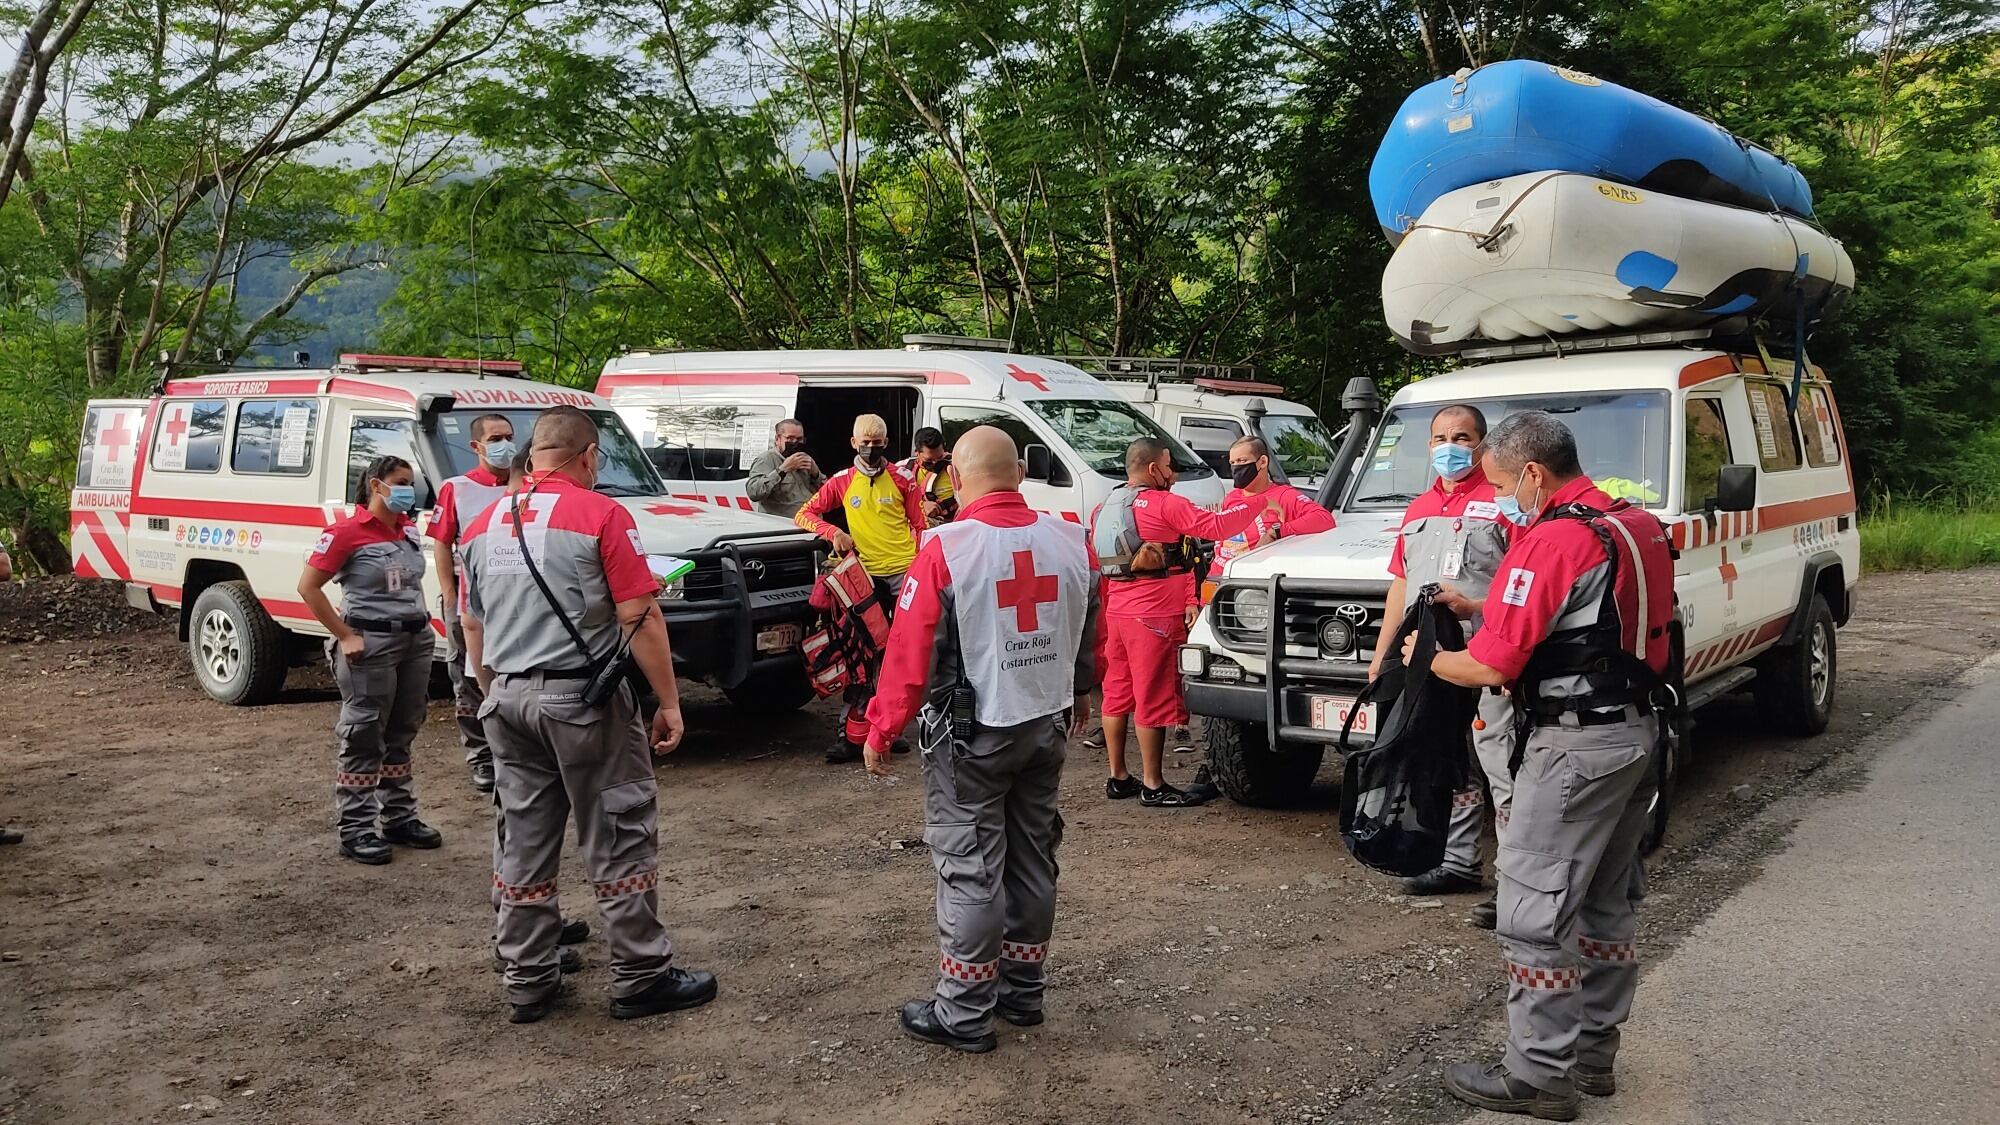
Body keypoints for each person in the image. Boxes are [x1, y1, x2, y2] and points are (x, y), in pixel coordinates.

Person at [1414, 411, 1674, 1120]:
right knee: (1605, 901)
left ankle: (1536, 1074)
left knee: (1531, 909)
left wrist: (1428, 662)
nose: (1500, 498)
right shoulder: (1633, 525)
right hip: (1634, 735)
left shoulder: (1552, 540)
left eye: (1501, 483)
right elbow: (1594, 623)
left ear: (1532, 473)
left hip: (1571, 750)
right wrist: (1481, 603)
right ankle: (1593, 1057)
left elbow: (1494, 661)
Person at [460, 406, 717, 1025]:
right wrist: (671, 703)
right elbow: (639, 614)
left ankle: (527, 978)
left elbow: (472, 622)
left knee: (521, 841)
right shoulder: (601, 514)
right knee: (619, 834)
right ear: (589, 456)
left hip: (506, 700)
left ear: (531, 456)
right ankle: (641, 975)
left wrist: (495, 690)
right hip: (582, 703)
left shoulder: (483, 523)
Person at [860, 426, 1101, 1052]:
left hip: (971, 738)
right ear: (1019, 474)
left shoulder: (947, 547)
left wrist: (882, 726)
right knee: (1032, 857)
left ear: (959, 480)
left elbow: (910, 649)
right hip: (1046, 726)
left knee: (970, 867)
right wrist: (1078, 692)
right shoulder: (1073, 538)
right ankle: (1022, 992)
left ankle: (963, 1013)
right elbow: (1087, 626)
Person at [1365, 404, 1516, 926]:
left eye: (1462, 437)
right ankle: (1459, 861)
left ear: (1482, 443)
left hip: (1488, 657)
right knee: (1447, 758)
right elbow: (1401, 585)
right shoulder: (1418, 508)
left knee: (1499, 763)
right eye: (1439, 437)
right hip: (1427, 658)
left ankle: (1517, 885)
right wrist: (1384, 656)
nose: (1449, 446)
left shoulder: (1503, 503)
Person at [1090, 438, 1279, 807]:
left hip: (1118, 608)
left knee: (1116, 692)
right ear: (1152, 469)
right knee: (1154, 695)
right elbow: (1217, 527)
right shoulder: (1165, 503)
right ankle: (1153, 784)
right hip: (1154, 611)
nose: (1173, 472)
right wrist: (1260, 501)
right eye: (1168, 464)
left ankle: (1118, 777)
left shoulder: (1105, 505)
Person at [297, 455, 443, 865]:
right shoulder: (345, 533)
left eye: (410, 483)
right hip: (370, 643)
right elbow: (309, 587)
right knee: (363, 734)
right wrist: (344, 636)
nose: (409, 491)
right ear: (376, 486)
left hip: (414, 640)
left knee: (402, 731)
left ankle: (399, 817)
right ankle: (357, 828)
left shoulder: (408, 530)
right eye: (400, 482)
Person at [795, 414, 929, 762]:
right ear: (854, 443)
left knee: (897, 654)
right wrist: (834, 533)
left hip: (903, 575)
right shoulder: (842, 481)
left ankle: (890, 727)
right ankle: (848, 732)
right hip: (862, 578)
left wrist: (919, 565)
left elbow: (920, 525)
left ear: (886, 444)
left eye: (878, 442)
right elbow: (805, 514)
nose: (871, 448)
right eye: (865, 442)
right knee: (857, 653)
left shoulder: (903, 479)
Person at [429, 413, 517, 793]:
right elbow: (441, 543)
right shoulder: (458, 488)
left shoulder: (523, 485)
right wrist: (450, 595)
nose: (505, 444)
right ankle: (481, 755)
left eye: (509, 436)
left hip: (514, 600)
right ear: (476, 446)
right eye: (496, 438)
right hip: (469, 602)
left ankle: (514, 749)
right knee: (468, 678)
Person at [1212, 435, 1337, 575]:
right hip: (1215, 582)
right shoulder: (1231, 497)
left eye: (1242, 461)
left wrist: (1276, 532)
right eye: (1233, 462)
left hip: (1248, 587)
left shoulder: (1285, 496)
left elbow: (1324, 518)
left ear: (1262, 462)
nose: (1236, 467)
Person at [745, 418, 826, 518]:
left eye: (799, 439)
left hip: (811, 524)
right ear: (777, 439)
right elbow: (754, 493)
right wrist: (782, 470)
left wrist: (815, 473)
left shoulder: (805, 458)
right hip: (784, 526)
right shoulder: (766, 459)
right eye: (790, 438)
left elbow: (828, 491)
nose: (795, 443)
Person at [903, 426, 958, 524]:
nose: (935, 462)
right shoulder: (903, 469)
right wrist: (921, 506)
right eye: (929, 460)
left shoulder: (955, 468)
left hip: (949, 526)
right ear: (917, 452)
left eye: (939, 457)